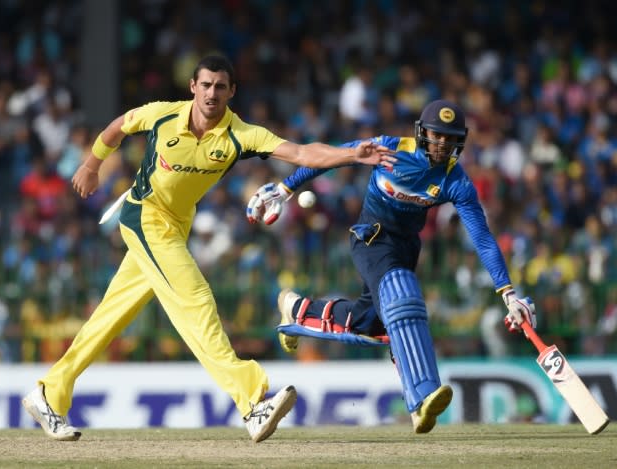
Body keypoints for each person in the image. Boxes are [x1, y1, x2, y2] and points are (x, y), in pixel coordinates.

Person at [22, 55, 396, 442]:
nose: (211, 93)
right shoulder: (164, 115)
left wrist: (352, 154)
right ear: (192, 87)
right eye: (205, 85)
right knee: (196, 300)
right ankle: (252, 401)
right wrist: (91, 164)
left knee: (111, 316)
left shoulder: (241, 134)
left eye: (220, 86)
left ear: (231, 92)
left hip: (176, 226)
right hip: (144, 217)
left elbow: (301, 153)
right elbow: (119, 126)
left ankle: (50, 391)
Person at [246, 99, 537, 434]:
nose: (442, 144)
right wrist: (285, 188)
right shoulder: (388, 148)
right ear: (422, 132)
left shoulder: (455, 181)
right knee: (403, 297)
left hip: (405, 248)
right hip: (371, 237)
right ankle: (422, 397)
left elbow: (482, 238)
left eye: (450, 137)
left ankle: (296, 310)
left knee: (369, 324)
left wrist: (509, 294)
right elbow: (325, 158)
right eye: (436, 135)